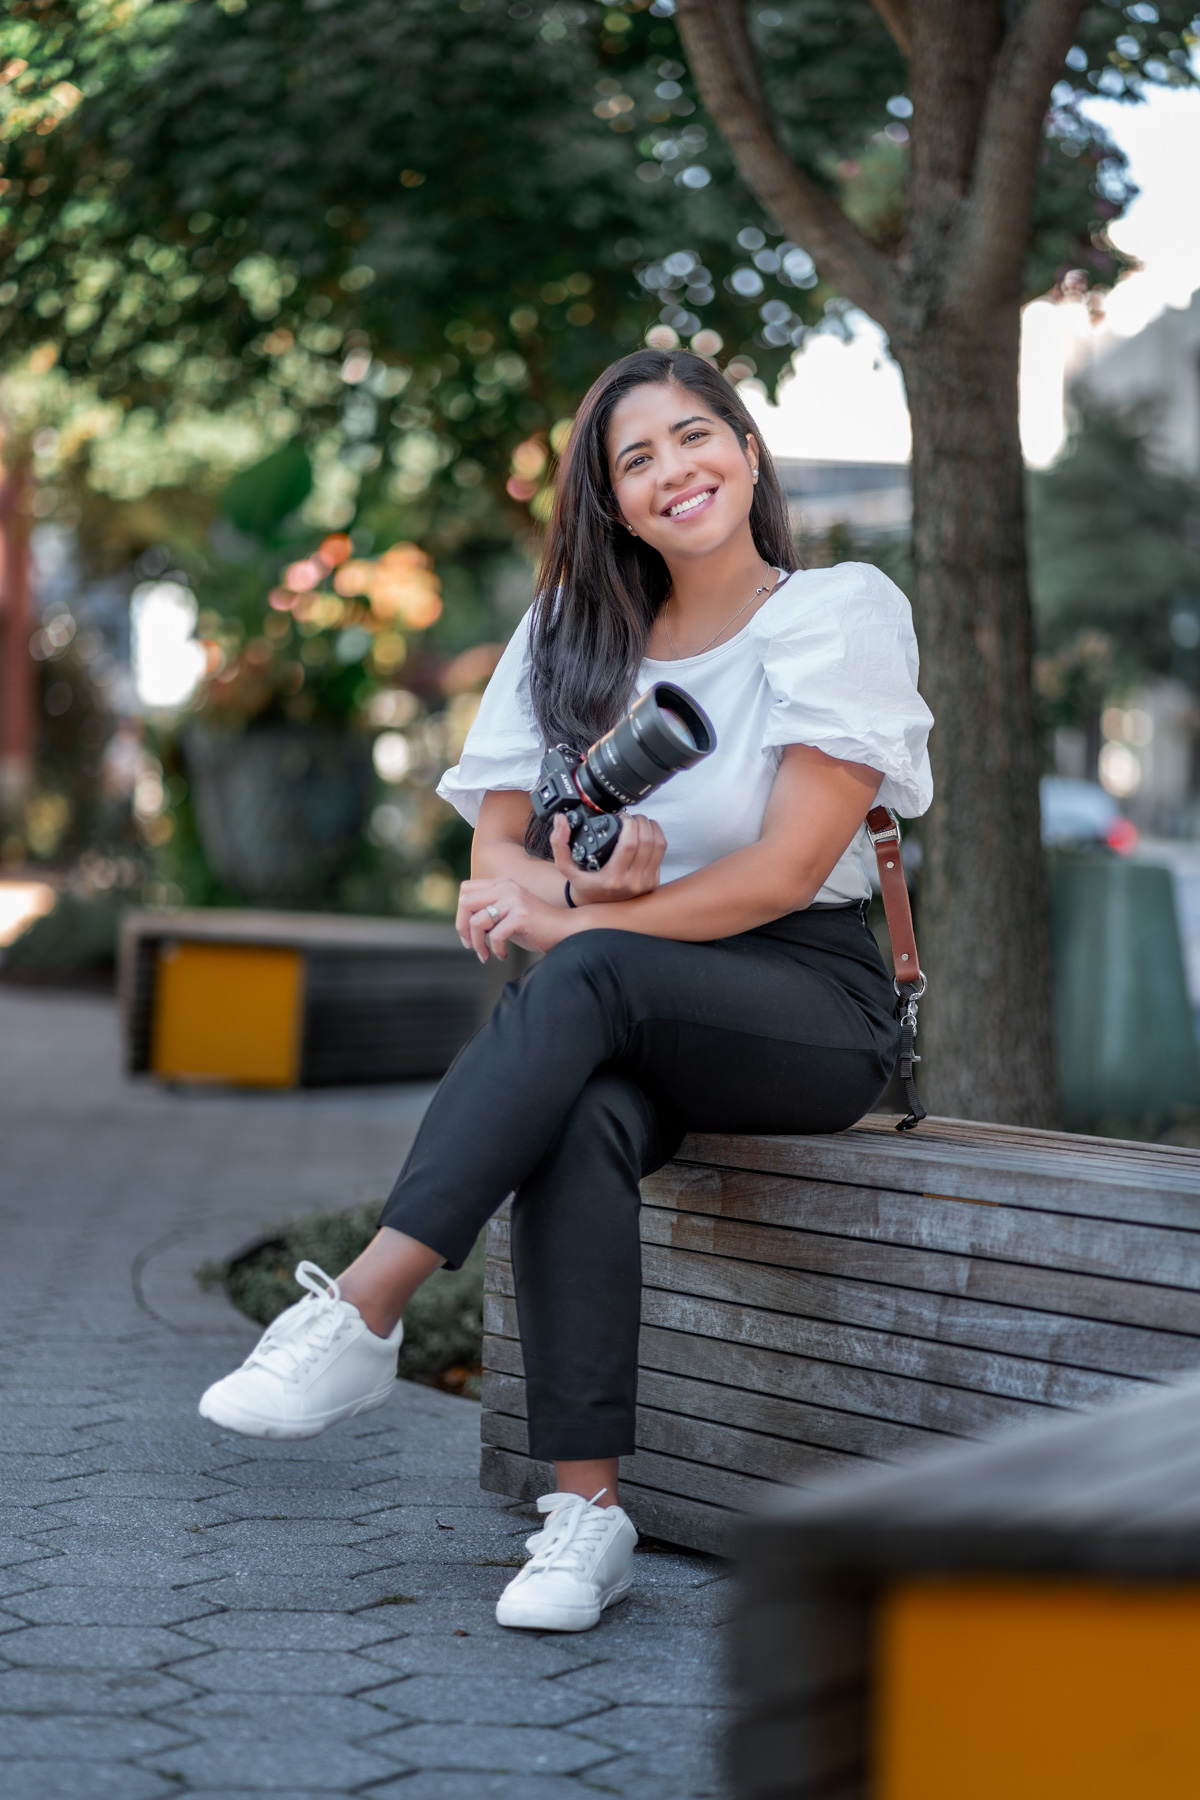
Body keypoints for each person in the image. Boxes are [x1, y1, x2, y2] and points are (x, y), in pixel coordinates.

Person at [199, 347, 933, 1633]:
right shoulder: (565, 637)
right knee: (580, 1115)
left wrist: (593, 911)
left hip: (808, 1005)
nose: (674, 472)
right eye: (634, 460)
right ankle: (585, 1516)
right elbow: (494, 857)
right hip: (623, 991)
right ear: (611, 501)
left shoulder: (836, 610)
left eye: (696, 437)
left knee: (591, 976)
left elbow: (785, 869)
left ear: (748, 454)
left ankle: (367, 1304)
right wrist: (578, 889)